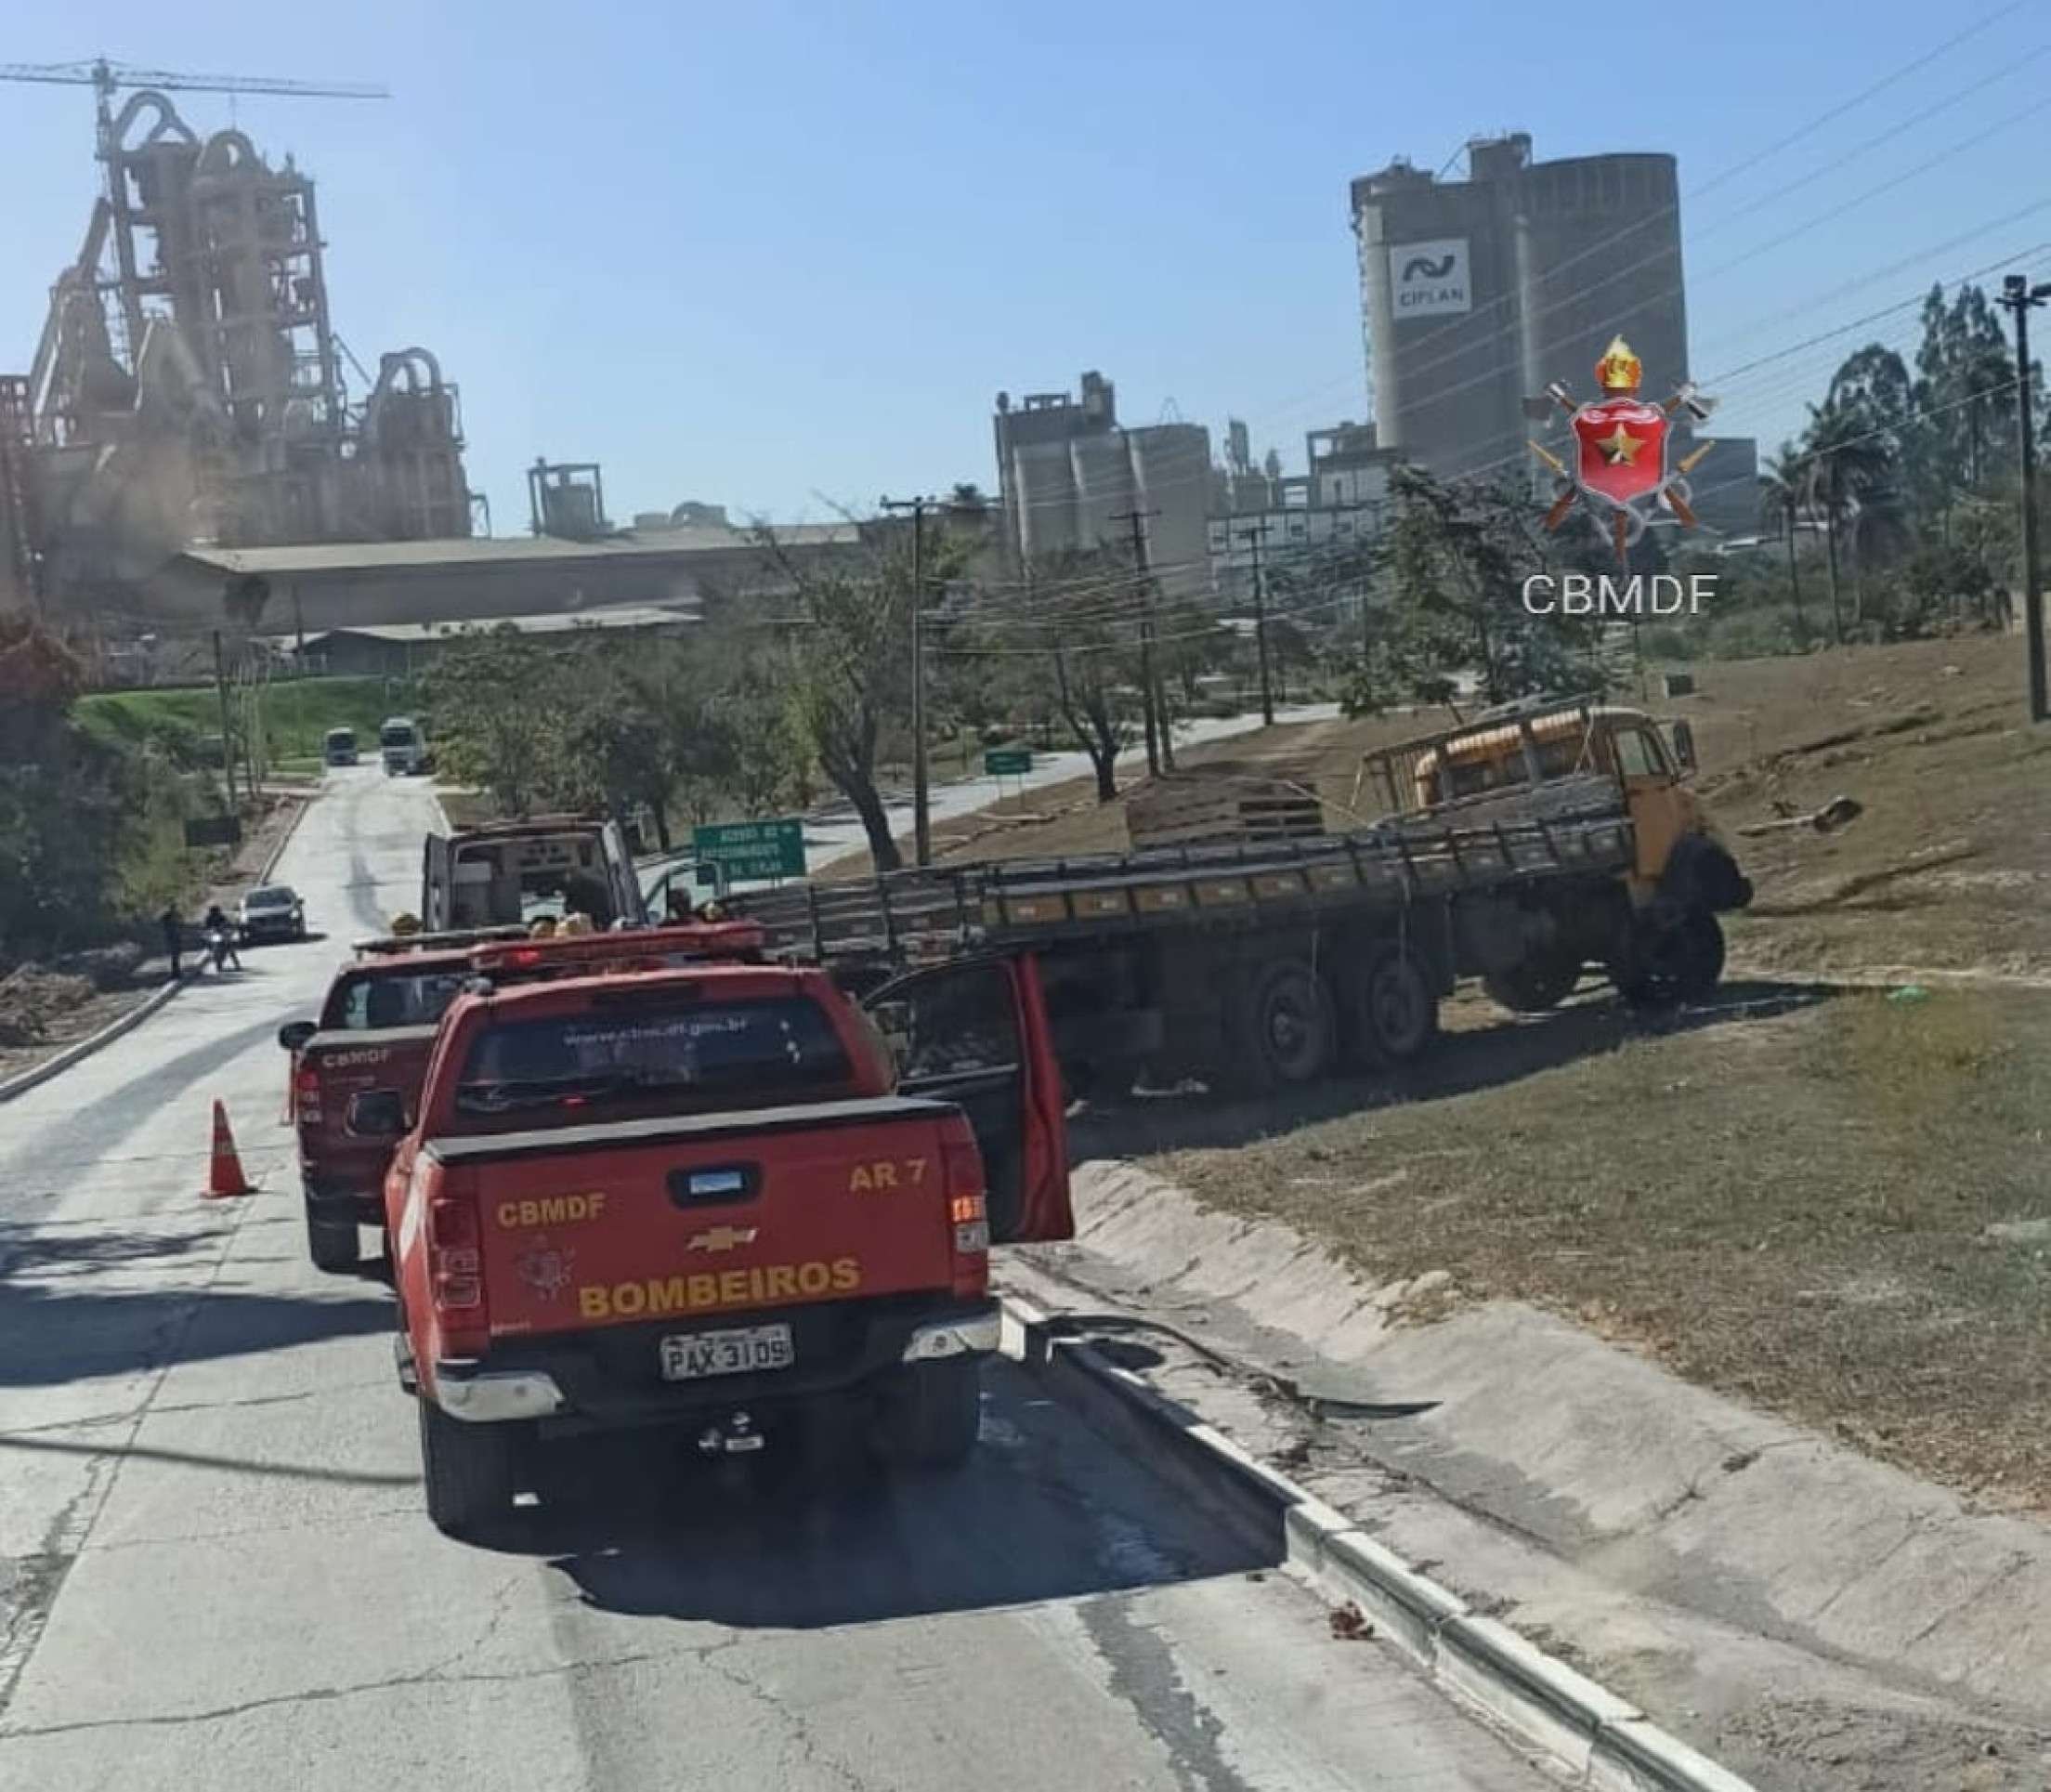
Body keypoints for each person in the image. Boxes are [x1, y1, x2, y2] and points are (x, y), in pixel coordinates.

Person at [202, 903, 242, 971]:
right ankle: (218, 963)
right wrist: (209, 931)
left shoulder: (222, 917)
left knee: (231, 949)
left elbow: (228, 924)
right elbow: (206, 928)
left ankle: (237, 965)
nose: (215, 913)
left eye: (216, 911)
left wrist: (229, 929)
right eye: (214, 911)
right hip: (214, 936)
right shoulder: (208, 919)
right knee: (211, 948)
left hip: (222, 935)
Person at [159, 902, 182, 983]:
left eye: (174, 908)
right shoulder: (167, 916)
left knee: (176, 956)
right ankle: (174, 973)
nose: (174, 909)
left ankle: (177, 972)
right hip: (171, 938)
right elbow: (161, 923)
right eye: (173, 908)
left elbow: (182, 925)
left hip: (176, 938)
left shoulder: (178, 915)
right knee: (173, 956)